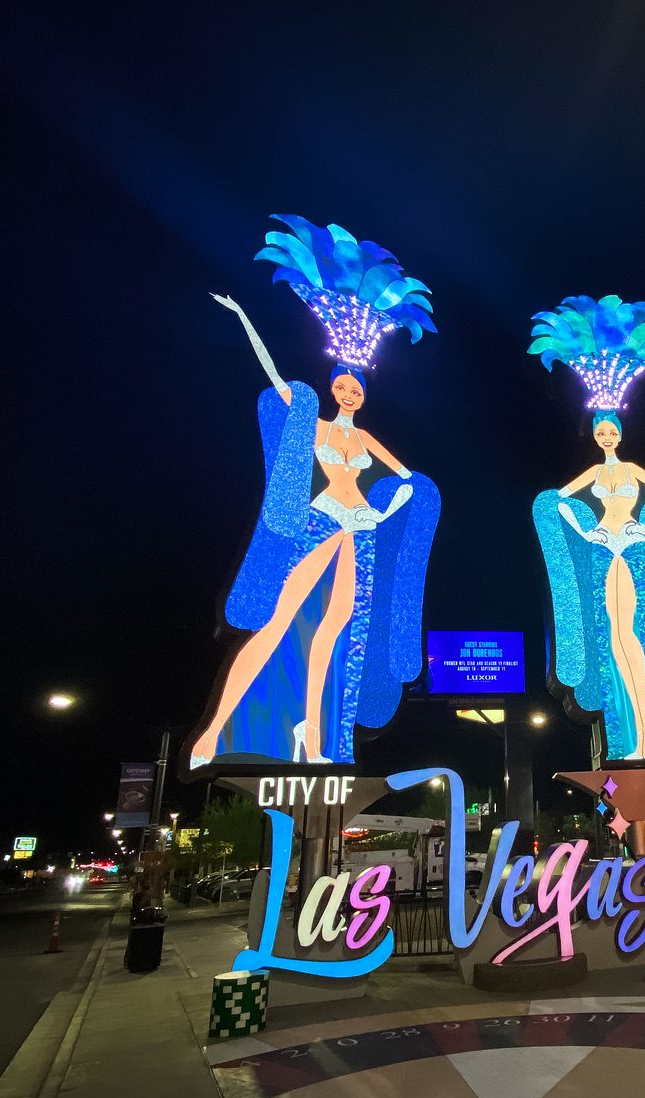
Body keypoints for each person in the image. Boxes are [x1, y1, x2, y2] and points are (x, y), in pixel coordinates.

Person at [187, 217, 439, 768]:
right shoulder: (316, 427)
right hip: (320, 520)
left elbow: (409, 481)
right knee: (280, 619)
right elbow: (274, 375)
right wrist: (243, 317)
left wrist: (386, 510)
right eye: (343, 386)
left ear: (364, 394)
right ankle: (213, 734)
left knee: (337, 630)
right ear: (333, 387)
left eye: (356, 388)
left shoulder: (367, 439)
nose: (349, 393)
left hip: (359, 531)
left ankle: (318, 737)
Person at [528, 296, 645, 762]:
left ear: (620, 433)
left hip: (634, 547)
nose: (606, 436)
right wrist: (587, 533)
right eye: (600, 432)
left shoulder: (633, 470)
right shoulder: (593, 474)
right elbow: (557, 501)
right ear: (595, 434)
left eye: (611, 431)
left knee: (638, 634)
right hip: (605, 548)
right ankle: (630, 731)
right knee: (615, 633)